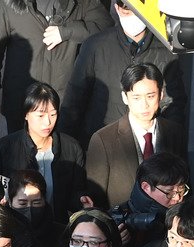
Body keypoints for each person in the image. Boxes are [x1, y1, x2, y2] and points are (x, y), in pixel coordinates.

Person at [0, 0, 109, 133]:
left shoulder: (82, 3)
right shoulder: (7, 4)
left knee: (63, 150)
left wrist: (67, 32)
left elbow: (105, 26)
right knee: (21, 150)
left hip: (64, 104)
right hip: (22, 104)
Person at [61, 1, 181, 143]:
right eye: (125, 8)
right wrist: (66, 148)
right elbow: (74, 99)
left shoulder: (166, 51)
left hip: (148, 145)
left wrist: (168, 144)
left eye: (137, 8)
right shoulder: (96, 46)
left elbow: (174, 104)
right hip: (101, 141)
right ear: (117, 7)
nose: (131, 12)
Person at [83, 63, 182, 209]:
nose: (144, 105)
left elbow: (182, 182)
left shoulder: (175, 132)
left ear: (161, 95)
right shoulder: (103, 140)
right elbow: (95, 198)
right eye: (136, 98)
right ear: (124, 97)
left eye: (150, 96)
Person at [0, 82, 87, 220]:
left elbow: (77, 189)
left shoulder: (72, 148)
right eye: (40, 116)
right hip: (15, 227)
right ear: (26, 115)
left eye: (53, 114)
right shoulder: (4, 149)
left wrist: (82, 200)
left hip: (57, 228)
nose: (48, 122)